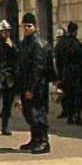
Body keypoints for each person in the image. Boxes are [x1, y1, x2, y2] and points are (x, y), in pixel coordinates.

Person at [16, 12, 51, 153]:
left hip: (37, 85)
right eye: (24, 26)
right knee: (29, 113)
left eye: (29, 26)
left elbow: (38, 67)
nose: (26, 29)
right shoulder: (25, 42)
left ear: (35, 27)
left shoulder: (38, 44)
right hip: (26, 83)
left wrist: (31, 88)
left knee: (38, 113)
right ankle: (34, 139)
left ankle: (44, 141)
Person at [54, 21, 82, 125]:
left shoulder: (61, 45)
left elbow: (58, 61)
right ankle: (77, 115)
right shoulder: (78, 44)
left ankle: (69, 116)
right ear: (75, 31)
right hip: (77, 74)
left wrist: (59, 76)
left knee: (68, 96)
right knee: (78, 96)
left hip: (65, 73)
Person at [0, 20, 19, 137]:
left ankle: (5, 126)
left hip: (9, 78)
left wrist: (12, 47)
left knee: (8, 104)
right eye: (4, 32)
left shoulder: (12, 44)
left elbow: (17, 57)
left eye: (8, 31)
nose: (6, 34)